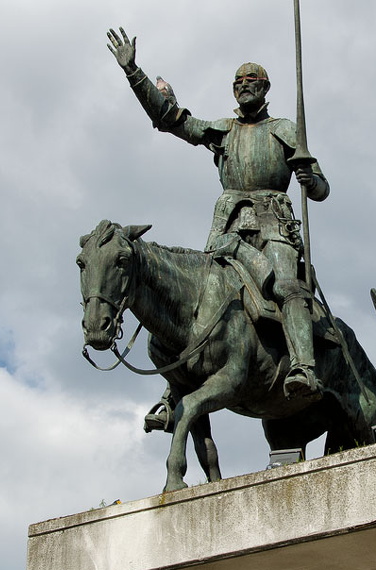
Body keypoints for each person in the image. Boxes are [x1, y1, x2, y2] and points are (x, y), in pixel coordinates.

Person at [106, 28, 329, 422]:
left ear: (265, 87)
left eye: (251, 80)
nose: (244, 86)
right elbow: (170, 119)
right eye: (238, 82)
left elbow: (322, 188)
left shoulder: (284, 129)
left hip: (273, 227)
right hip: (227, 230)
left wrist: (310, 181)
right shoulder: (223, 131)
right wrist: (133, 72)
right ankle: (173, 392)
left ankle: (303, 367)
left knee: (287, 286)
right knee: (195, 300)